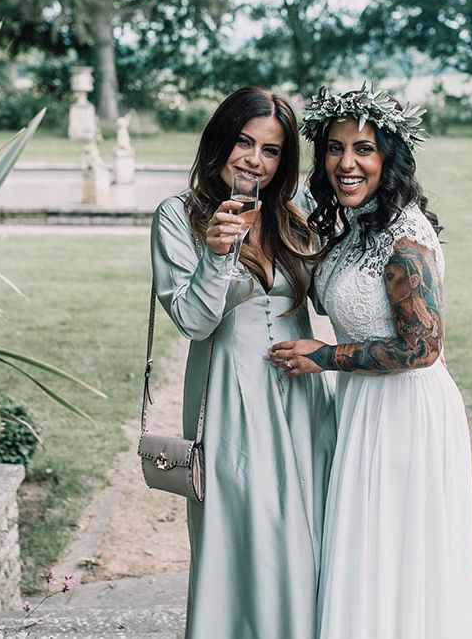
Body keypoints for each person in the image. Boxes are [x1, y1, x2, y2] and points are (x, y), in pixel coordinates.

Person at [269, 85, 472, 638]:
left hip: (406, 412)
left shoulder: (405, 239)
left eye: (363, 148)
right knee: (365, 553)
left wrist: (325, 355)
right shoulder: (353, 226)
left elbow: (421, 347)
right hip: (363, 404)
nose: (347, 162)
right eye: (335, 149)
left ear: (389, 156)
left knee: (396, 555)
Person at [150, 86, 336, 639]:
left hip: (302, 392)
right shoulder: (178, 215)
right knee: (248, 530)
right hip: (231, 394)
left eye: (272, 150)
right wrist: (215, 255)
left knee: (310, 521)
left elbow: (330, 296)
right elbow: (194, 322)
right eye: (244, 142)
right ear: (220, 141)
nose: (255, 159)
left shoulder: (293, 212)